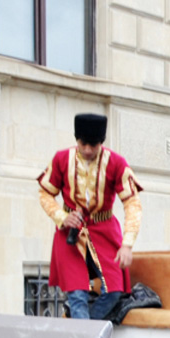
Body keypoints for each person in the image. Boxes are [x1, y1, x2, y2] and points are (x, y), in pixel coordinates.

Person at [38, 112, 143, 320]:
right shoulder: (61, 159)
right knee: (77, 295)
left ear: (101, 143)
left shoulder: (116, 163)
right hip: (71, 233)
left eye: (93, 145)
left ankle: (85, 330)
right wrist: (61, 216)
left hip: (104, 231)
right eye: (83, 144)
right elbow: (45, 192)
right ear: (76, 139)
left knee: (114, 290)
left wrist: (127, 244)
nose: (87, 150)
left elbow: (132, 202)